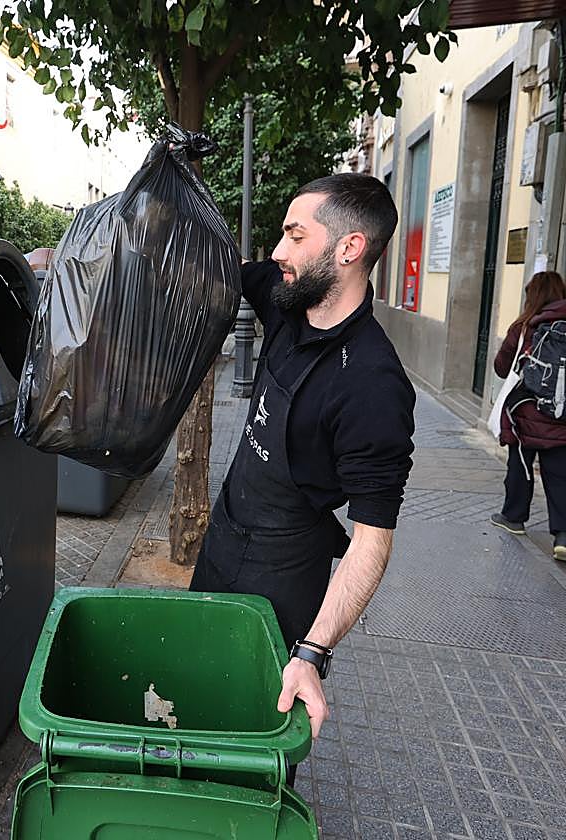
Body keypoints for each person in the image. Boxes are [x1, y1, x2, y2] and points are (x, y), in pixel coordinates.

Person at [190, 173, 415, 741]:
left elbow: (371, 540)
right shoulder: (287, 299)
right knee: (195, 699)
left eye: (294, 236)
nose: (277, 253)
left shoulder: (372, 384)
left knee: (248, 728)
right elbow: (220, 268)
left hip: (284, 579)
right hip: (224, 537)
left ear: (348, 248)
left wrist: (311, 653)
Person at [489, 270, 566, 560]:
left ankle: (514, 517)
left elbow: (501, 367)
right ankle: (562, 535)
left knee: (520, 467)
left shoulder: (525, 327)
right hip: (561, 418)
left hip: (525, 413)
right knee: (560, 475)